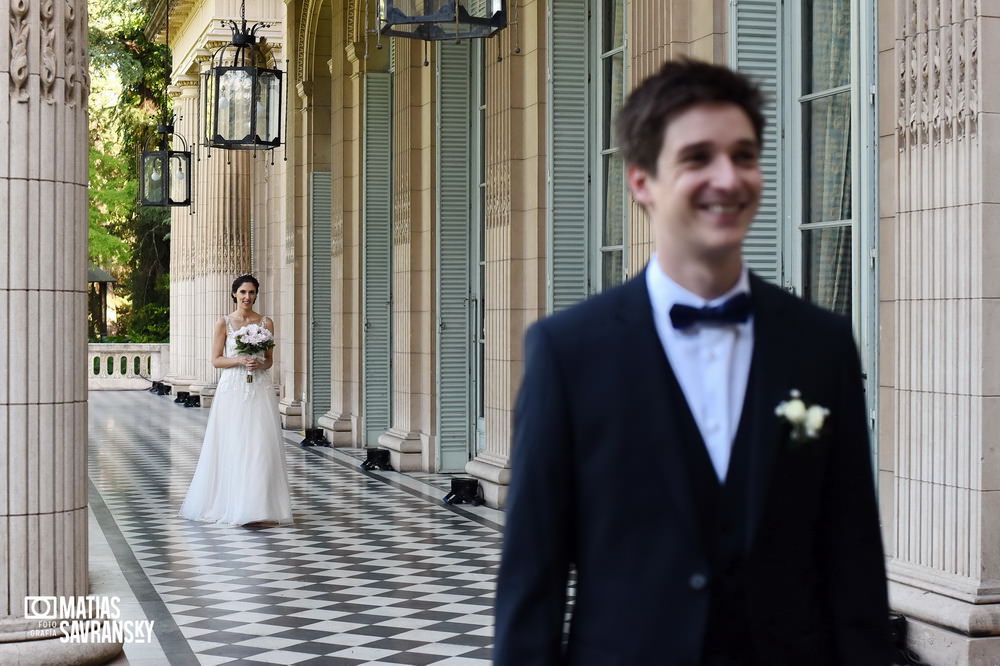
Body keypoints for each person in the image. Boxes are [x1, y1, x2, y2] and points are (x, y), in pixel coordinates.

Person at [493, 59, 890, 666]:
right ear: (641, 181)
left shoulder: (823, 344)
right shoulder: (568, 352)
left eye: (744, 155)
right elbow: (532, 580)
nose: (728, 178)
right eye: (698, 157)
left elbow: (853, 561)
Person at [180, 274, 293, 527]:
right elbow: (216, 359)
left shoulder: (266, 322)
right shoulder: (224, 323)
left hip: (259, 388)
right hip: (232, 388)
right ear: (234, 294)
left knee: (260, 444)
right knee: (234, 443)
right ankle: (232, 505)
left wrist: (259, 363)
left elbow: (269, 360)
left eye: (252, 292)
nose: (247, 297)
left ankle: (260, 508)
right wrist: (240, 360)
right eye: (243, 292)